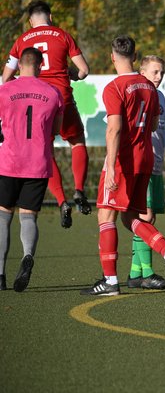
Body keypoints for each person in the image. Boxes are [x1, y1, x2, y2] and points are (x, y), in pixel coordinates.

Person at [80, 36, 165, 296]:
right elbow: (154, 126)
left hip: (124, 161)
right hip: (146, 158)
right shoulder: (150, 88)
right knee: (130, 218)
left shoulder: (114, 87)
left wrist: (111, 166)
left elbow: (114, 129)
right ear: (135, 57)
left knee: (106, 215)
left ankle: (110, 281)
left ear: (112, 57)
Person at [3, 1, 91, 228]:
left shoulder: (21, 40)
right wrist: (72, 74)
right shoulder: (63, 35)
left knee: (45, 150)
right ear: (50, 17)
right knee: (77, 141)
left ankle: (62, 201)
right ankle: (79, 190)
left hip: (37, 101)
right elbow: (84, 70)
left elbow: (6, 77)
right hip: (62, 96)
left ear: (30, 21)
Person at [0, 48, 63, 292]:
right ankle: (27, 255)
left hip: (9, 162)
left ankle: (1, 275)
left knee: (3, 216)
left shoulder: (4, 91)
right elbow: (55, 130)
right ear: (40, 65)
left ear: (19, 65)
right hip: (37, 163)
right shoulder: (53, 93)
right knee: (28, 216)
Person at [126, 55, 165, 290]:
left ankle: (135, 273)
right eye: (155, 72)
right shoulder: (136, 93)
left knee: (148, 218)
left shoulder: (160, 96)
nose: (159, 77)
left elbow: (164, 131)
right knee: (145, 217)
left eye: (162, 72)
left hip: (156, 165)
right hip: (142, 165)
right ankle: (148, 273)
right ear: (142, 73)